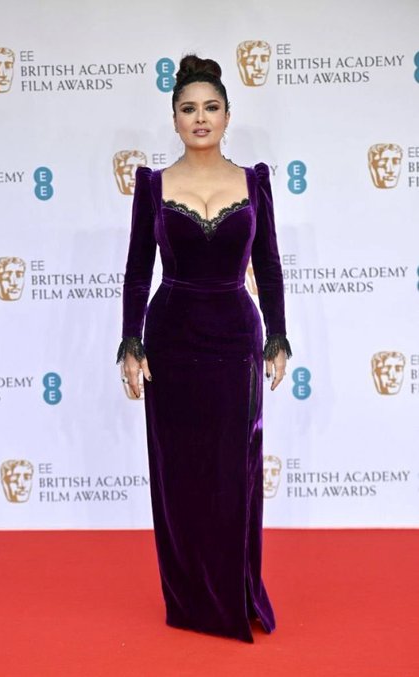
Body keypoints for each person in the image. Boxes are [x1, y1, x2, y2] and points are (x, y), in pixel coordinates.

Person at [116, 54, 291, 643]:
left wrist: (278, 335)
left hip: (236, 340)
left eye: (210, 107)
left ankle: (236, 592)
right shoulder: (153, 186)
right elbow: (137, 269)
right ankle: (190, 599)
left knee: (234, 471)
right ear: (174, 118)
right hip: (171, 338)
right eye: (188, 108)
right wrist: (131, 341)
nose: (200, 117)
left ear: (227, 116)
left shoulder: (254, 181)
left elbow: (269, 264)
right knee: (179, 472)